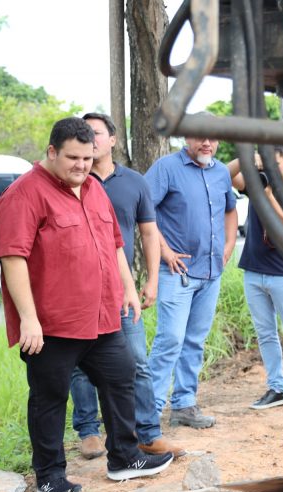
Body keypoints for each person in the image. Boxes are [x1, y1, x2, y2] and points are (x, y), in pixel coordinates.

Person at [0, 117, 172, 492]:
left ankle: (125, 457)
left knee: (120, 378)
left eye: (88, 158)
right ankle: (49, 475)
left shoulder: (92, 187)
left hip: (102, 315)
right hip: (52, 323)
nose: (81, 166)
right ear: (51, 151)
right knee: (50, 397)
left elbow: (114, 244)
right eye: (73, 158)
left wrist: (126, 287)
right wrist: (28, 319)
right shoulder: (23, 194)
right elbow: (13, 258)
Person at [67, 113, 184, 461]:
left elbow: (149, 232)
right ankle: (89, 431)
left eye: (97, 133)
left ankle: (148, 433)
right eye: (85, 134)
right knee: (80, 364)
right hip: (77, 291)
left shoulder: (133, 182)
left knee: (137, 362)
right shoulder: (72, 180)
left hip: (121, 289)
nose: (90, 139)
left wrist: (151, 280)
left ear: (113, 139)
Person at [143, 121, 237, 431]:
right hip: (176, 273)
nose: (207, 142)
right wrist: (165, 250)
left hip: (211, 273)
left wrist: (229, 243)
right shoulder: (166, 168)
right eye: (200, 136)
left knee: (195, 341)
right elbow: (143, 211)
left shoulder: (221, 172)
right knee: (170, 340)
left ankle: (184, 405)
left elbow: (229, 209)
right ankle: (149, 414)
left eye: (212, 137)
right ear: (187, 137)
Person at [227, 148, 283, 409]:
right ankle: (277, 388)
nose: (270, 165)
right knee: (265, 334)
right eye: (267, 160)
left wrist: (269, 196)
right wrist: (248, 159)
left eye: (276, 160)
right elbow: (228, 178)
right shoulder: (258, 182)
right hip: (254, 269)